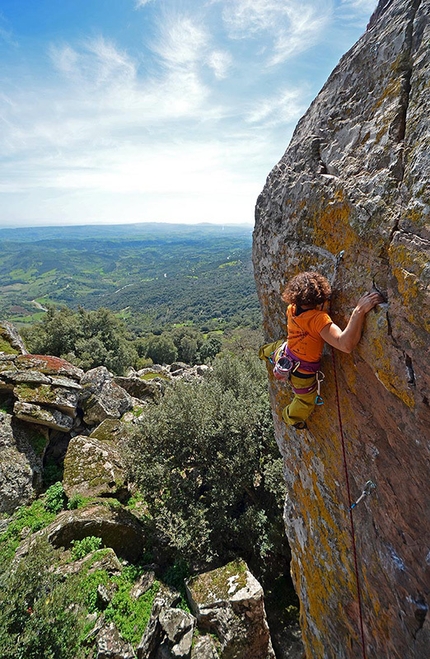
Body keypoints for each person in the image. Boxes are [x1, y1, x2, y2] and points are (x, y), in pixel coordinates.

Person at [259, 271, 383, 429]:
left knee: (273, 347)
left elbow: (307, 320)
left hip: (284, 353)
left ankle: (262, 353)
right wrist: (359, 311)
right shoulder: (319, 320)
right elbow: (345, 345)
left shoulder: (291, 309)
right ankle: (290, 417)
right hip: (302, 374)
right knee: (305, 401)